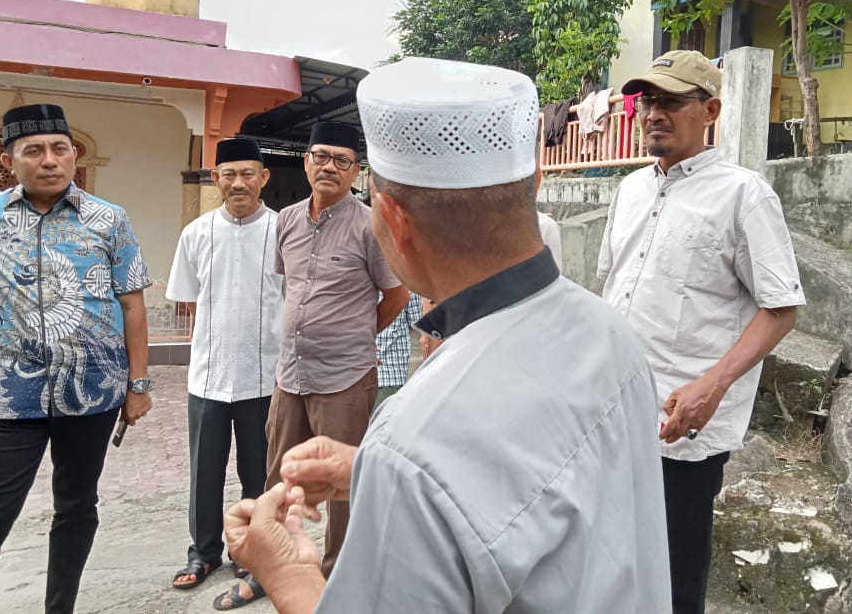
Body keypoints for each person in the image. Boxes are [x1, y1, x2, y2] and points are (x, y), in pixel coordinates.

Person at [222, 57, 672, 613]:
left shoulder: (414, 438)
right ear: (532, 183)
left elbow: (445, 465)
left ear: (391, 219)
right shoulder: (612, 334)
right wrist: (371, 471)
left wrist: (286, 573)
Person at [598, 50, 806, 614]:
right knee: (609, 558)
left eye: (671, 101)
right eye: (647, 101)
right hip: (612, 410)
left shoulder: (744, 195)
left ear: (709, 110)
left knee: (673, 576)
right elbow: (611, 292)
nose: (653, 114)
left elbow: (780, 307)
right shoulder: (629, 190)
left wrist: (712, 385)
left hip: (681, 422)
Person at [0, 103, 153, 614]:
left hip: (93, 394)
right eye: (34, 150)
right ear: (8, 161)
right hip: (10, 400)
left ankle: (59, 607)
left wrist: (138, 386)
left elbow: (132, 304)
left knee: (77, 506)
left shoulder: (109, 220)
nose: (49, 160)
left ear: (74, 154)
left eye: (60, 149)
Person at [208, 119, 408, 610]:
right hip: (290, 374)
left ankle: (337, 579)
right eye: (321, 157)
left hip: (344, 377)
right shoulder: (287, 221)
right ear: (305, 162)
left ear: (355, 170)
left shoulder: (369, 223)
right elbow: (290, 286)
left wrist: (357, 334)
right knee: (279, 474)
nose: (329, 168)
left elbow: (397, 294)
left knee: (339, 484)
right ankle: (268, 570)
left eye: (342, 161)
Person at [165, 138, 284, 594]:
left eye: (248, 173)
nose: (239, 183)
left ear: (263, 178)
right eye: (229, 174)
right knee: (205, 473)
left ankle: (254, 555)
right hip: (209, 377)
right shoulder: (196, 233)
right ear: (216, 178)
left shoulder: (282, 231)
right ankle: (204, 553)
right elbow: (191, 304)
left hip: (265, 376)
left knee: (259, 474)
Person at [374, 292, 423, 409]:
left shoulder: (353, 281)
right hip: (390, 375)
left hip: (353, 379)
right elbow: (419, 323)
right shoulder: (404, 281)